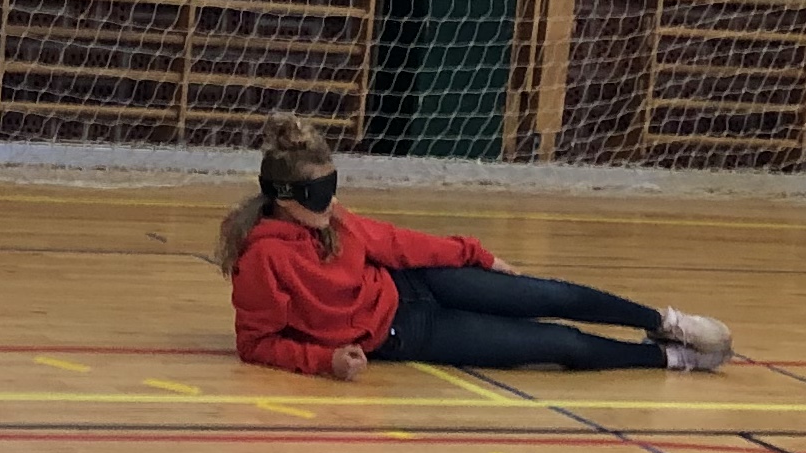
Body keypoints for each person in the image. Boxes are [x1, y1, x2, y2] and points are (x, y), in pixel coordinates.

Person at [214, 116, 736, 379]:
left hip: (417, 286)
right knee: (558, 346)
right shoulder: (263, 259)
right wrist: (324, 360)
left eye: (332, 186)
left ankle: (666, 320)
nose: (330, 201)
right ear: (283, 198)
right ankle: (667, 359)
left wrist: (475, 254)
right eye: (316, 193)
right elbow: (255, 344)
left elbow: (399, 244)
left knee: (548, 295)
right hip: (407, 333)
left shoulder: (336, 220)